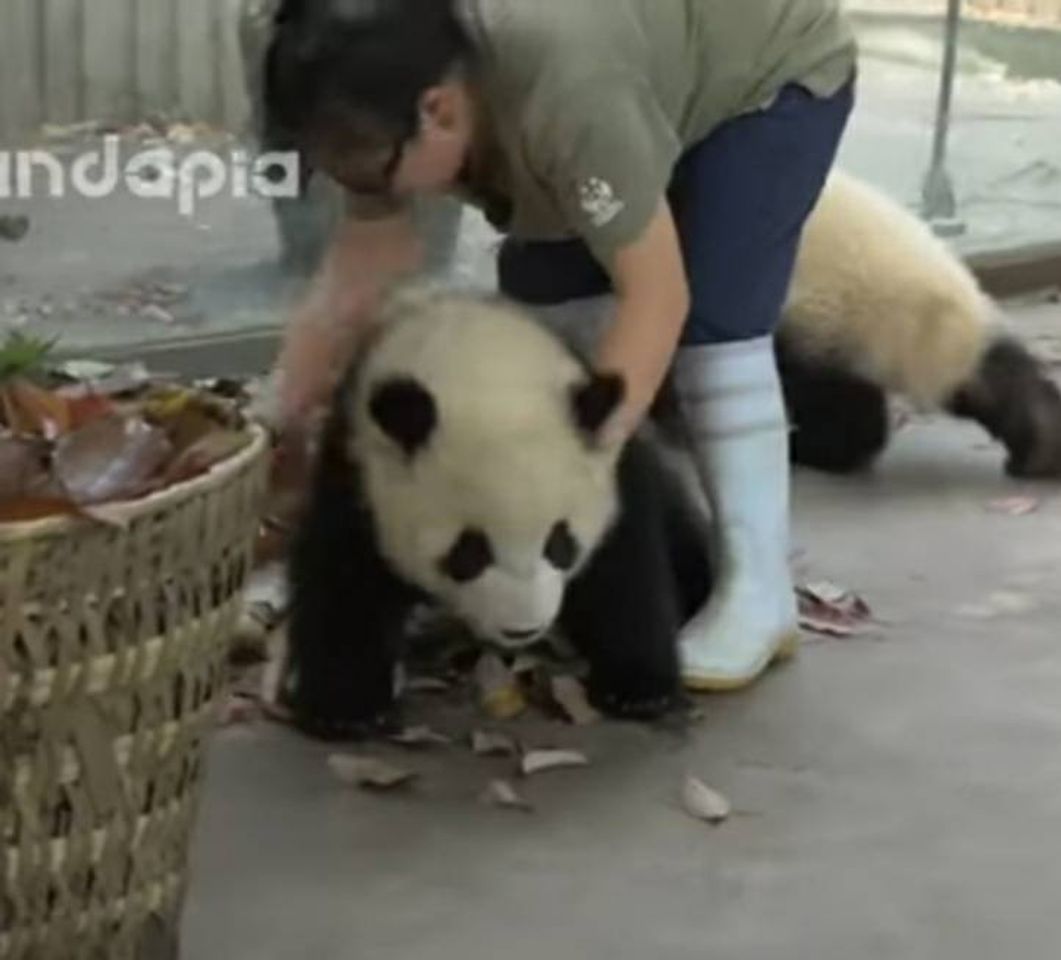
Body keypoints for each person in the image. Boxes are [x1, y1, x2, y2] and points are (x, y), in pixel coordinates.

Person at [263, 0, 858, 691]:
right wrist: (277, 420)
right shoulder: (386, 92)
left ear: (442, 111)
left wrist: (573, 461)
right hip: (630, 74)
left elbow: (657, 299)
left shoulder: (569, 96)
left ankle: (758, 590)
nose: (355, 187)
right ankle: (543, 564)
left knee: (715, 318)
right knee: (543, 297)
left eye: (363, 168)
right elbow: (358, 273)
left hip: (764, 76)